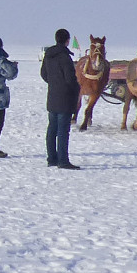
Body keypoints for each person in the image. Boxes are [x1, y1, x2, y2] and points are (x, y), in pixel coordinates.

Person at [40, 28, 82, 169]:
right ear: (67, 40)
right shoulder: (65, 57)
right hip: (65, 98)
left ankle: (52, 158)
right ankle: (63, 160)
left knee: (52, 128)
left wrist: (53, 82)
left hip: (52, 96)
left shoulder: (49, 55)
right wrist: (76, 89)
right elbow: (70, 79)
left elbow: (43, 74)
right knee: (63, 130)